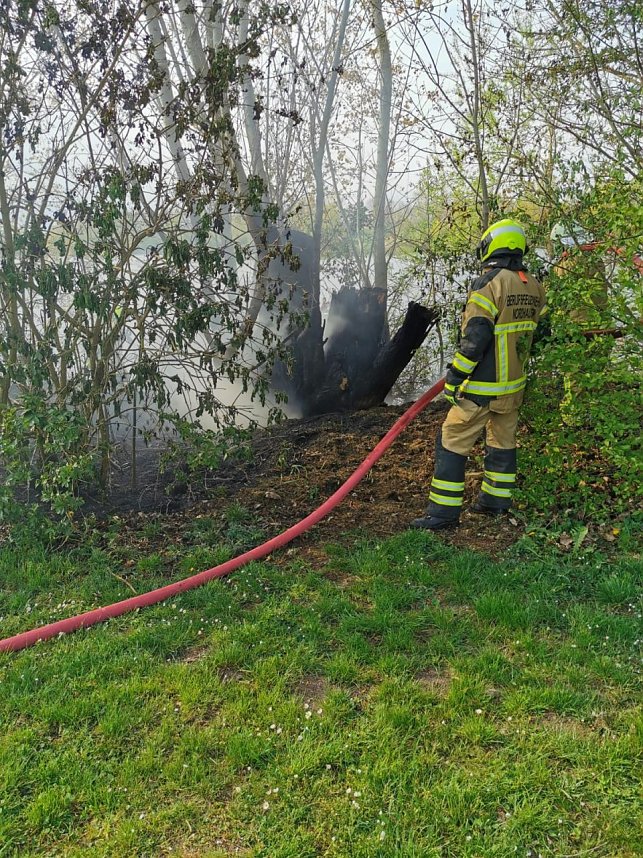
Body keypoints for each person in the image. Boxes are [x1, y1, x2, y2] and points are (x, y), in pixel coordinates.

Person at [412, 218, 546, 530]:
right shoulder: (533, 285)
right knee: (502, 441)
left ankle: (442, 514)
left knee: (452, 439)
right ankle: (495, 503)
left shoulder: (490, 284)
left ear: (491, 247)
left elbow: (476, 338)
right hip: (514, 387)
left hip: (483, 387)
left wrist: (456, 376)